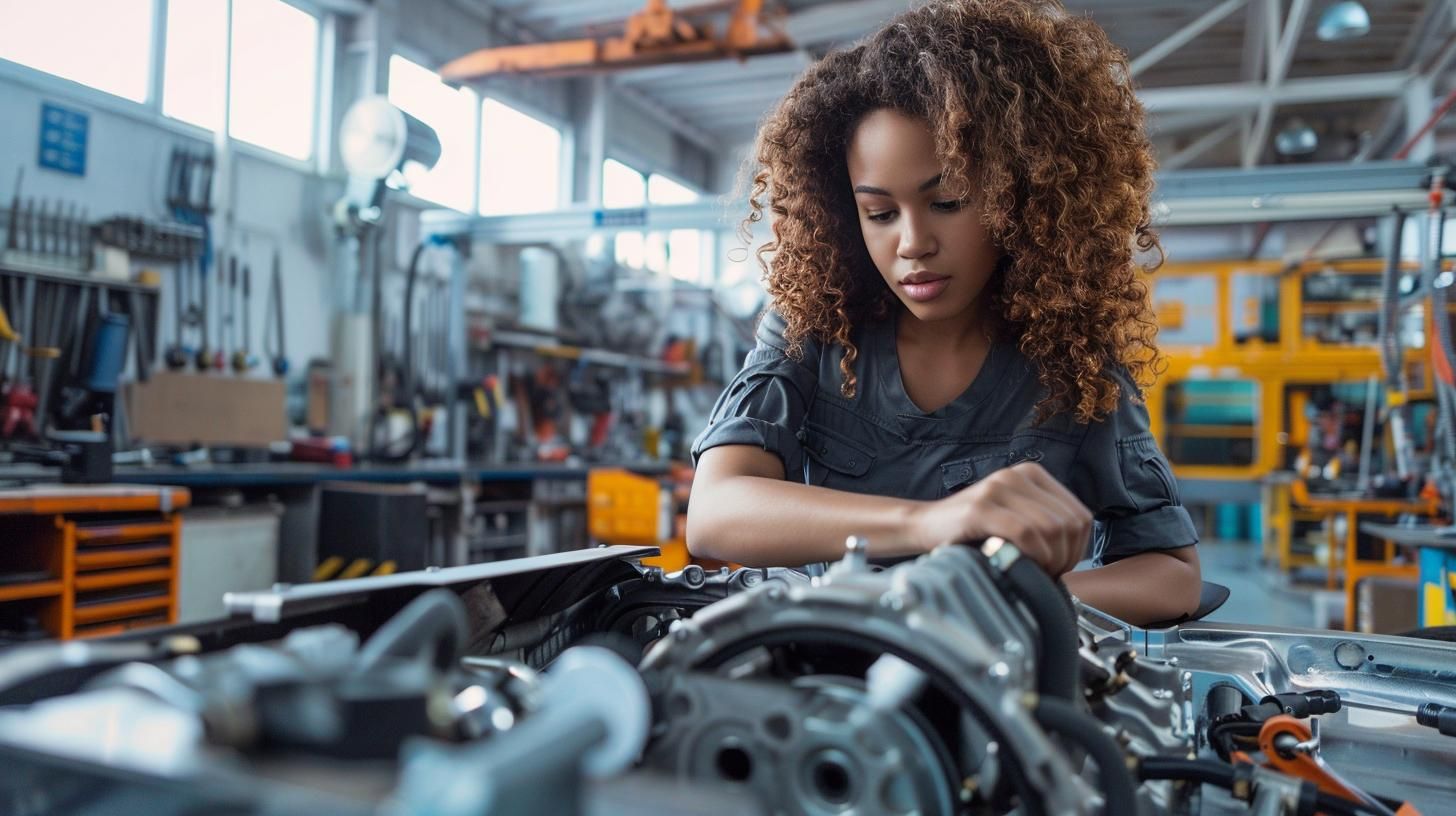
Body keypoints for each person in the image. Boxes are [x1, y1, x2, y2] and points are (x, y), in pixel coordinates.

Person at [685, 0, 1201, 625]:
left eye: (948, 201)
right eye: (879, 213)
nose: (912, 243)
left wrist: (996, 604)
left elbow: (1172, 576)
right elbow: (715, 516)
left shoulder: (1074, 361)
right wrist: (931, 524)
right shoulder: (815, 326)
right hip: (831, 675)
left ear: (1022, 195)